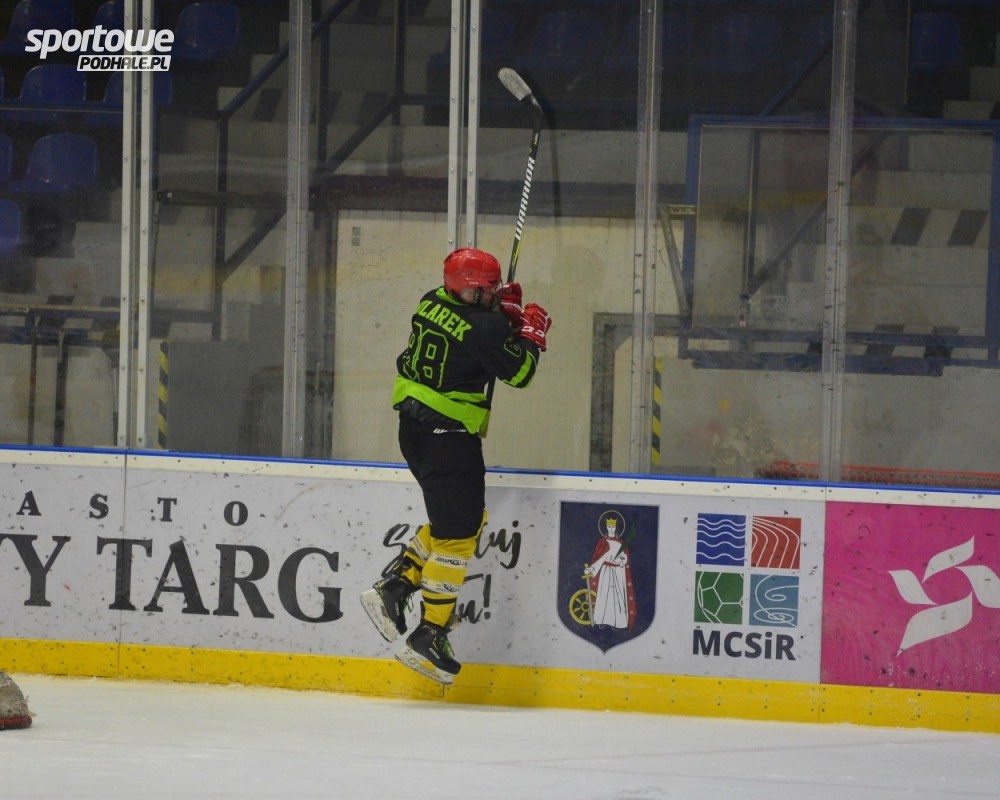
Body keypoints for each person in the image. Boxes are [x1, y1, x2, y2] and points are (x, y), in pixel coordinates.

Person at [361, 246, 552, 684]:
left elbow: (470, 336)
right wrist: (529, 335)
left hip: (415, 432)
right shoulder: (485, 325)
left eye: (493, 288)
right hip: (446, 437)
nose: (490, 295)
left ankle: (397, 585)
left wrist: (503, 316)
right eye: (483, 290)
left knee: (460, 522)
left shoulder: (431, 299)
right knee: (458, 537)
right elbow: (520, 373)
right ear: (464, 289)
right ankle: (429, 633)